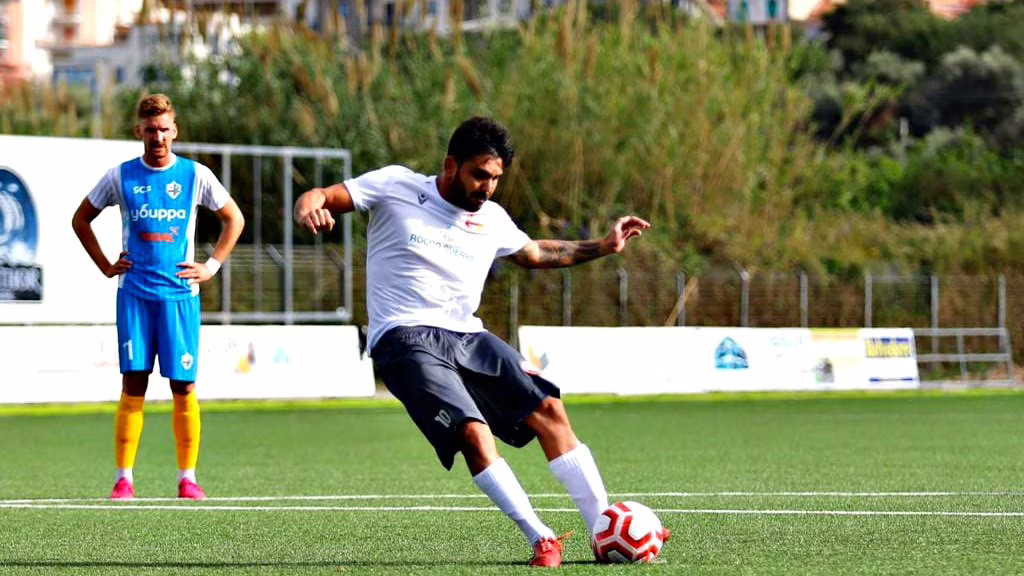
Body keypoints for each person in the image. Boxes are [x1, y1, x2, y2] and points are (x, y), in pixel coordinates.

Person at [293, 116, 663, 566]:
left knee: (549, 409)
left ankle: (603, 528)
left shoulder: (492, 219)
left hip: (468, 335)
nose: (487, 187)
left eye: (496, 178)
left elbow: (537, 252)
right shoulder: (395, 185)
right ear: (451, 165)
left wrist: (604, 245)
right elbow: (322, 194)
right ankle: (541, 537)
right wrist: (308, 206)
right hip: (404, 337)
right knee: (472, 431)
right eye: (479, 175)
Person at [71, 93, 245, 501]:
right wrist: (105, 265)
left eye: (164, 129)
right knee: (134, 383)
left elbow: (233, 218)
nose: (158, 137)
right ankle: (124, 479)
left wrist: (211, 266)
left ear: (175, 131)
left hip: (180, 296)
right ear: (139, 131)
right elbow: (81, 219)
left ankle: (188, 478)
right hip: (134, 296)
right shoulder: (121, 176)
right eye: (151, 130)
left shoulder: (195, 175)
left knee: (184, 386)